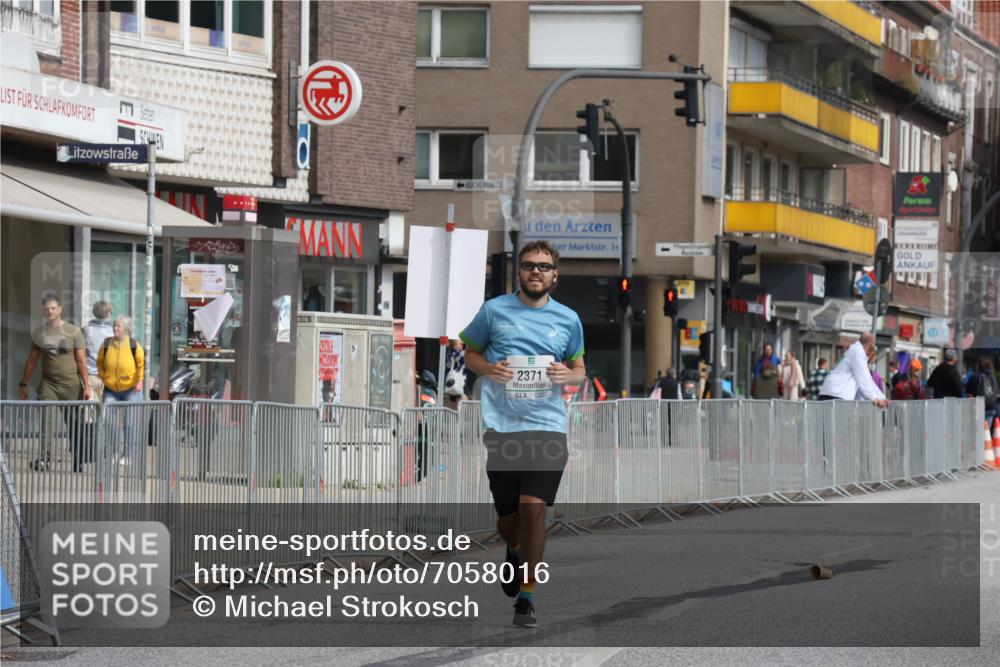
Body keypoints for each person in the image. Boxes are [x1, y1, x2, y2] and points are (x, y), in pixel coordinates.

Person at [460, 240, 585, 629]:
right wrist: (488, 369)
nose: (536, 271)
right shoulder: (494, 310)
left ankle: (527, 597)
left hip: (548, 427)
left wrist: (570, 375)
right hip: (503, 428)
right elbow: (470, 353)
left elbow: (579, 368)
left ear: (555, 275)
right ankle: (513, 549)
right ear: (520, 271)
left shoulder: (568, 319)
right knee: (508, 519)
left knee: (534, 508)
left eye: (544, 266)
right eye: (529, 265)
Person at [19, 292, 92, 471]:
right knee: (47, 422)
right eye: (47, 308)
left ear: (60, 309)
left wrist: (87, 386)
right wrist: (23, 384)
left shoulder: (73, 332)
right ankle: (44, 459)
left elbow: (82, 361)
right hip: (48, 385)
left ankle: (78, 459)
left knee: (74, 424)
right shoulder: (39, 332)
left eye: (53, 308)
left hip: (71, 385)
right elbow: (32, 360)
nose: (50, 311)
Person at [97, 315, 145, 465]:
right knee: (109, 421)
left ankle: (128, 455)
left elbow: (141, 364)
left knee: (129, 422)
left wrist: (140, 381)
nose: (115, 328)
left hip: (131, 389)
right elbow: (99, 362)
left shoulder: (133, 344)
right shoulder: (106, 343)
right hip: (111, 389)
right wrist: (104, 376)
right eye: (115, 325)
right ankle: (115, 452)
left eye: (118, 326)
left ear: (126, 329)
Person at [817, 332, 889, 407]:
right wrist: (875, 398)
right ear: (871, 344)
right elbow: (863, 379)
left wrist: (882, 398)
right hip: (837, 394)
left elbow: (868, 379)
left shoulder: (856, 351)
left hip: (832, 392)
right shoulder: (857, 351)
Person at [82, 300, 113, 402]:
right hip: (108, 376)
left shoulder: (86, 330)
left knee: (89, 411)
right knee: (107, 410)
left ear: (94, 312)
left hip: (89, 375)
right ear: (109, 313)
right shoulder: (114, 332)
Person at [966, 357, 998, 426]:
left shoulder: (974, 376)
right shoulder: (993, 377)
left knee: (978, 430)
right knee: (987, 431)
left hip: (978, 408)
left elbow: (968, 392)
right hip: (991, 407)